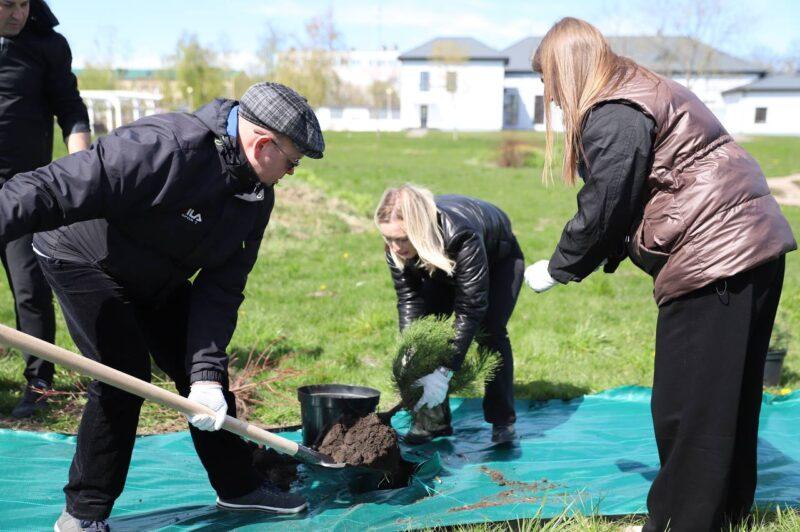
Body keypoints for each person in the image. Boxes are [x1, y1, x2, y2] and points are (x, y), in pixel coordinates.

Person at [0, 81, 324, 531]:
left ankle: (239, 488)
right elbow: (52, 187)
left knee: (203, 375)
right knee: (122, 377)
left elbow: (222, 288)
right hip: (81, 256)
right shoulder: (166, 147)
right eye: (292, 161)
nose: (292, 172)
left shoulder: (255, 196)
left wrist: (207, 376)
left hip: (157, 277)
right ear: (263, 142)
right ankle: (82, 516)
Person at [523, 17, 796, 532]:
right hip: (753, 248)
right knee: (727, 398)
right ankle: (724, 511)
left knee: (686, 407)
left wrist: (560, 267)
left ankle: (677, 523)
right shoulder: (643, 90)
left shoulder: (615, 111)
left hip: (716, 261)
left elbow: (606, 205)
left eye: (550, 83)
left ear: (569, 70)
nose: (552, 98)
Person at [375, 184, 524, 444]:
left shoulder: (461, 234)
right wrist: (411, 351)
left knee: (491, 331)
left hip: (498, 260)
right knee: (427, 336)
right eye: (389, 238)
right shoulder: (396, 247)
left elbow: (471, 307)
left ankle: (502, 421)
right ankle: (433, 423)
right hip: (437, 258)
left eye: (402, 238)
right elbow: (409, 299)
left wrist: (444, 372)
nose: (395, 247)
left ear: (419, 228)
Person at [0, 0, 90, 418]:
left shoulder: (48, 46)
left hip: (21, 191)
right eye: (6, 4)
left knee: (29, 288)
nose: (16, 13)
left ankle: (39, 382)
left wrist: (85, 174)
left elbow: (70, 109)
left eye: (22, 4)